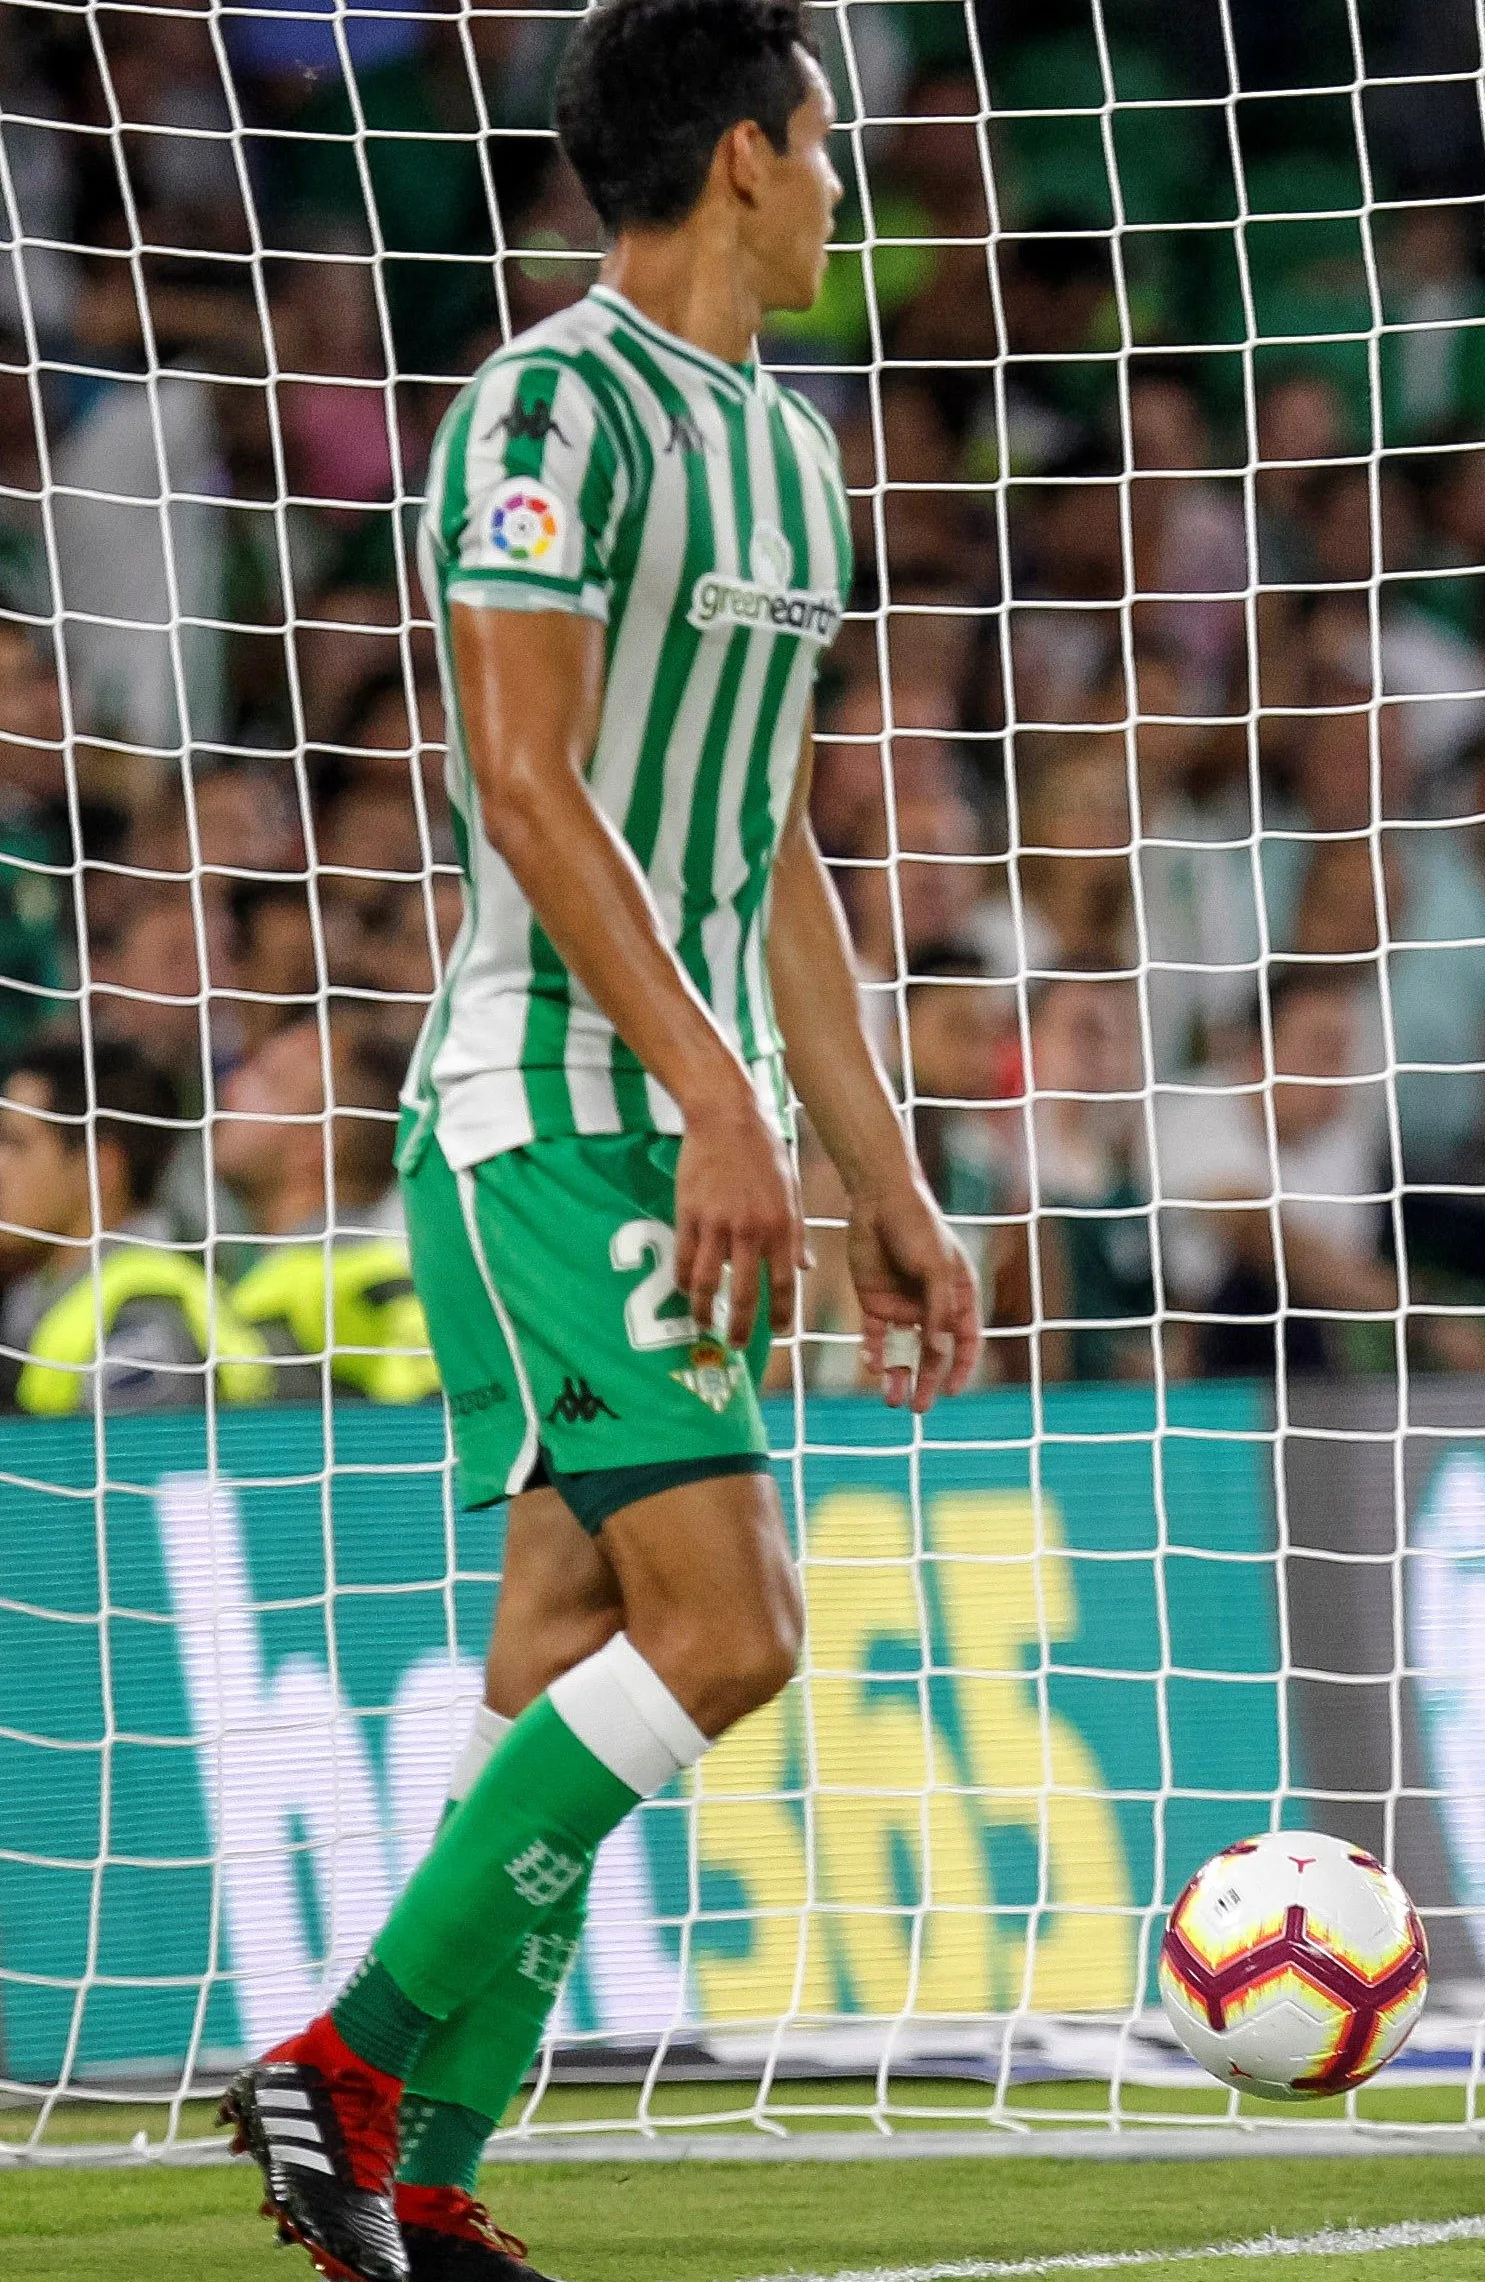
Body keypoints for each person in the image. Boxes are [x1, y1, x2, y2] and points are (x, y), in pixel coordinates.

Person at [218, 13, 985, 2280]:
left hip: (688, 1120)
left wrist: (887, 1174)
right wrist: (722, 1105)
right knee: (728, 1629)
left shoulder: (796, 455)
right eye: (830, 147)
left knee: (568, 1652)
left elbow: (776, 860)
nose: (849, 189)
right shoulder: (544, 412)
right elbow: (527, 790)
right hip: (553, 1116)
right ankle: (340, 2067)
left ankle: (427, 2188)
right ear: (746, 156)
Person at [0, 1035, 274, 1414]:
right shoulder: (37, 1297)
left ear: (101, 1168)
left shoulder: (147, 1315)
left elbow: (136, 1470)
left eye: (15, 1143)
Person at [214, 1012, 437, 1404]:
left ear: (321, 1139)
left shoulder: (359, 1288)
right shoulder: (277, 1279)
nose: (230, 1088)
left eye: (269, 1083)